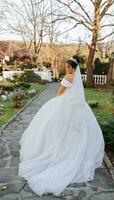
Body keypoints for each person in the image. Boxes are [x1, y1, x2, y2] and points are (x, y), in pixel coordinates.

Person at [18, 57, 105, 197]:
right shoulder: (77, 78)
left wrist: (60, 95)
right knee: (75, 130)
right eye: (67, 67)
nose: (67, 69)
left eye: (69, 67)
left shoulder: (67, 77)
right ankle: (72, 149)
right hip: (77, 106)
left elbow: (59, 92)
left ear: (73, 68)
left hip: (65, 104)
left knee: (55, 127)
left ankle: (55, 151)